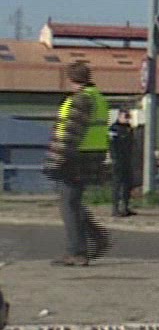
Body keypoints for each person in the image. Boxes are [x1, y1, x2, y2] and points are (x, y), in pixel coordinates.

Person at [42, 61, 110, 266]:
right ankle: (96, 238)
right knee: (73, 201)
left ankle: (78, 251)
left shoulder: (80, 100)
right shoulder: (97, 98)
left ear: (70, 79)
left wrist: (57, 160)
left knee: (68, 204)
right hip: (92, 155)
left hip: (76, 157)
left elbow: (71, 133)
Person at [107, 108, 139, 217]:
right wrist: (114, 158)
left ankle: (125, 207)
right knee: (117, 184)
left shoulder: (129, 128)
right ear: (119, 116)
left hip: (127, 159)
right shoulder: (114, 128)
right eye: (125, 117)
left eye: (128, 117)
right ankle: (115, 209)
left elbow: (132, 144)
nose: (127, 119)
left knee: (127, 184)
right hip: (118, 160)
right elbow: (112, 145)